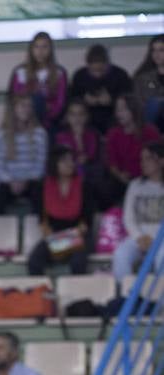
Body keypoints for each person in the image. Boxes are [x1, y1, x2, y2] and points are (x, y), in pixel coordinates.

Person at [27, 146, 91, 276]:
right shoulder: (42, 187)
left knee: (77, 262)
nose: (70, 164)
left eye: (71, 160)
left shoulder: (84, 185)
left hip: (80, 235)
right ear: (54, 163)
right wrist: (56, 242)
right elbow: (43, 222)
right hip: (54, 236)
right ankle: (42, 293)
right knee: (34, 261)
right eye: (64, 160)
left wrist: (62, 245)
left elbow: (86, 223)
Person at [113, 142, 164, 283]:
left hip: (162, 239)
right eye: (142, 159)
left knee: (162, 257)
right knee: (120, 254)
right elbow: (128, 217)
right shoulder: (135, 185)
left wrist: (156, 239)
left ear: (161, 161)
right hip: (139, 238)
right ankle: (126, 296)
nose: (143, 163)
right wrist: (139, 237)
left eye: (148, 158)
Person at [0, 94, 48, 216]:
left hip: (31, 181)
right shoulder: (0, 135)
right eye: (22, 105)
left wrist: (25, 181)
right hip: (9, 182)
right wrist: (12, 181)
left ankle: (41, 230)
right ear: (13, 109)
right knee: (0, 194)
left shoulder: (40, 134)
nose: (26, 109)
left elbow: (40, 167)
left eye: (29, 106)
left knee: (39, 192)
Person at [105, 94, 162, 209]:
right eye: (117, 110)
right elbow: (112, 164)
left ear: (133, 109)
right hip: (123, 180)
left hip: (150, 178)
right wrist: (121, 176)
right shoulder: (113, 134)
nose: (119, 114)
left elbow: (159, 158)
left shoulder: (150, 132)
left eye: (123, 109)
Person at [8, 31, 68, 131]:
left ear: (51, 49)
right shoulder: (20, 72)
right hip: (24, 122)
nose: (40, 51)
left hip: (49, 123)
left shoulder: (59, 73)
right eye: (36, 47)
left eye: (45, 47)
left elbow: (60, 104)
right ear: (31, 49)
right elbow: (14, 99)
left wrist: (46, 109)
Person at [70, 44, 133, 136]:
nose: (98, 75)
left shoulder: (120, 75)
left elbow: (130, 100)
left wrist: (112, 100)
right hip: (87, 115)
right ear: (88, 66)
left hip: (113, 114)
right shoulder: (80, 76)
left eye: (101, 71)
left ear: (107, 65)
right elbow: (72, 99)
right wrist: (84, 100)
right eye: (94, 71)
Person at [133, 35, 164, 130]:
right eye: (154, 50)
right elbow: (139, 103)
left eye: (161, 50)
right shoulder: (142, 78)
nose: (156, 54)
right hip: (151, 122)